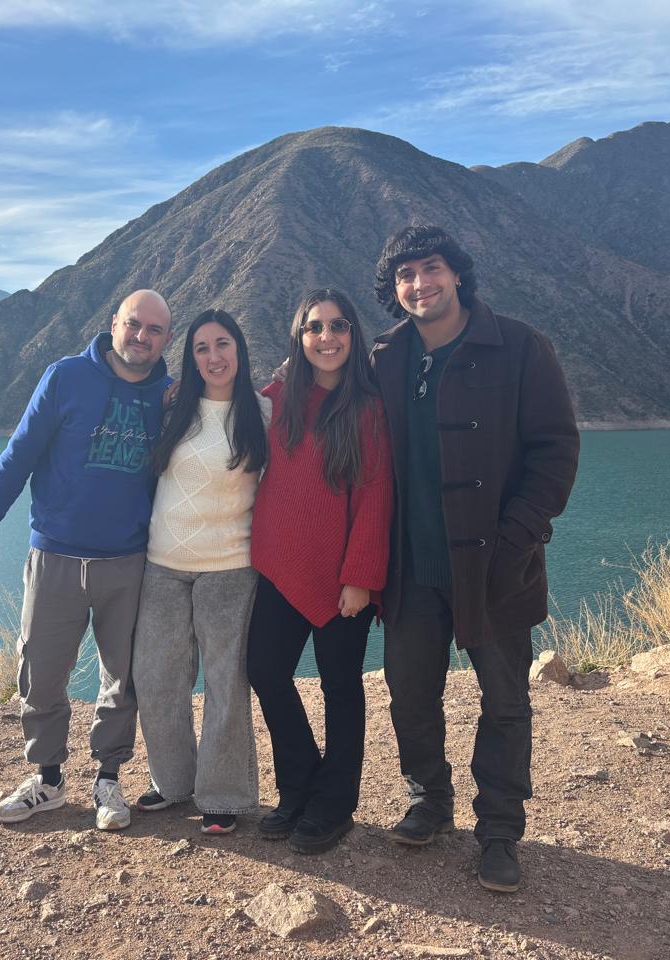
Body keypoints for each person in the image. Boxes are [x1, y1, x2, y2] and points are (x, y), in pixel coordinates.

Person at [370, 225, 580, 892]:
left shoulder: (518, 346)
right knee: (409, 693)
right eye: (405, 275)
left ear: (456, 273)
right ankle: (429, 799)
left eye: (430, 268)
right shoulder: (385, 358)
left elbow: (556, 451)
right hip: (411, 567)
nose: (419, 284)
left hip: (495, 566)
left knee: (506, 701)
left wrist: (516, 538)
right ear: (394, 288)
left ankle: (499, 830)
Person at [0, 289, 172, 831]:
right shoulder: (65, 377)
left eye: (154, 330)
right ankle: (49, 779)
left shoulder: (170, 396)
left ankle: (108, 778)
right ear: (114, 323)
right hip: (54, 554)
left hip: (127, 560)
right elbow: (19, 453)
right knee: (41, 672)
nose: (142, 337)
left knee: (121, 678)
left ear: (166, 339)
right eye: (134, 325)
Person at [246, 288, 393, 855]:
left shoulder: (368, 408)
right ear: (298, 337)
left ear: (353, 336)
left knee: (340, 688)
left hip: (343, 580)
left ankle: (335, 804)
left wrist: (360, 577)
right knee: (265, 669)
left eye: (337, 327)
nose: (326, 338)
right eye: (314, 328)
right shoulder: (278, 397)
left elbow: (374, 497)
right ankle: (300, 781)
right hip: (280, 570)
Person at [131, 309, 271, 835]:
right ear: (190, 359)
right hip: (162, 565)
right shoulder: (173, 409)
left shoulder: (263, 413)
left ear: (240, 350)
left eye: (223, 345)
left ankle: (223, 794)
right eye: (201, 349)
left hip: (230, 569)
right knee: (157, 678)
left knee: (224, 685)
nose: (213, 357)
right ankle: (173, 782)